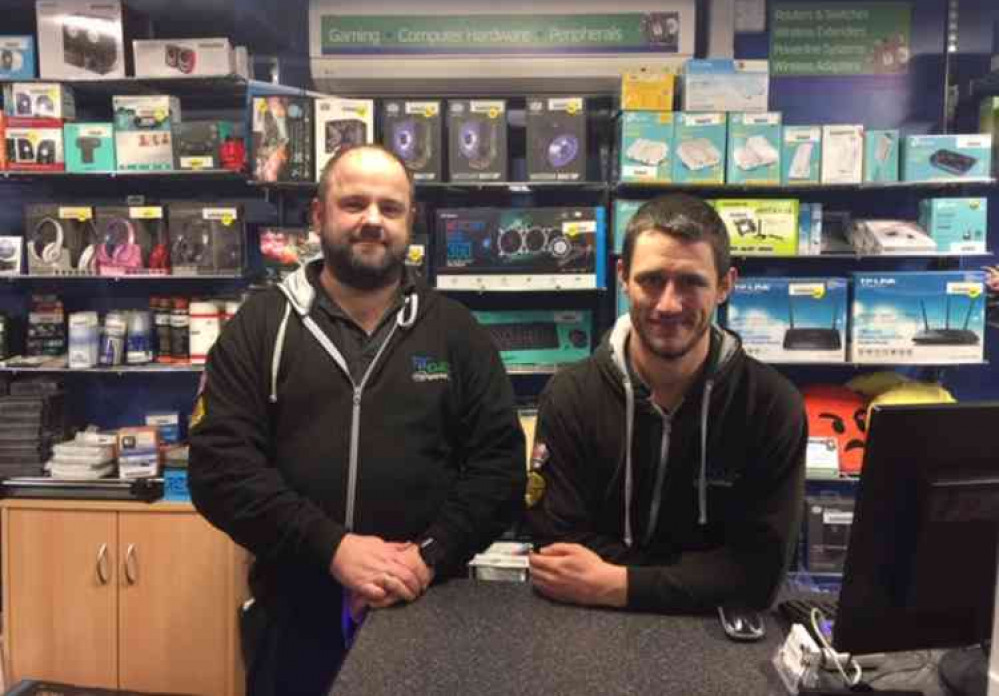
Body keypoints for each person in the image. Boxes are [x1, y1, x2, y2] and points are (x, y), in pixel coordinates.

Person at [188, 144, 526, 696]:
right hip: (294, 618)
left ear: (410, 223)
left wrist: (426, 557)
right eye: (354, 204)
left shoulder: (456, 332)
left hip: (425, 608)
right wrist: (334, 549)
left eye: (390, 208)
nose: (372, 220)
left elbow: (500, 469)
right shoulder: (261, 326)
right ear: (319, 216)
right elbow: (218, 468)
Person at [526, 194, 806, 613]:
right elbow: (556, 553)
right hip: (587, 634)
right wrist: (704, 574)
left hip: (716, 645)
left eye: (692, 282)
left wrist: (619, 584)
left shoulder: (769, 407)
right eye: (652, 279)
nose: (668, 304)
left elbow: (759, 575)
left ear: (726, 284)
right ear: (623, 276)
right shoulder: (571, 396)